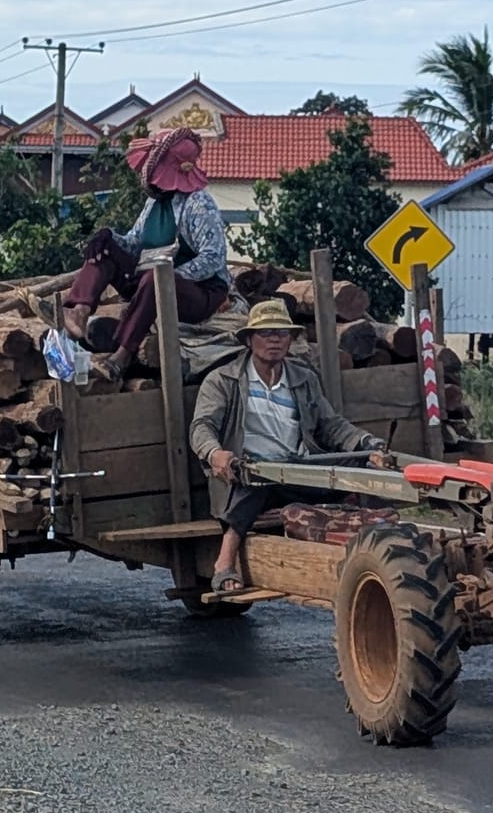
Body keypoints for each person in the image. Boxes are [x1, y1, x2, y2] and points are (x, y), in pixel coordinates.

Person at [189, 299, 386, 595]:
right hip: (249, 472)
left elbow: (330, 424)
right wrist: (216, 454)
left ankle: (378, 542)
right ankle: (225, 561)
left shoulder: (303, 378)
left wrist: (366, 444)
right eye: (266, 333)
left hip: (299, 469)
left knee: (364, 468)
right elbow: (201, 427)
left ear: (290, 340)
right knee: (254, 482)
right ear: (249, 339)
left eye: (281, 333)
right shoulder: (223, 380)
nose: (274, 340)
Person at [61, 128, 231, 378]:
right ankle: (80, 309)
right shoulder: (154, 203)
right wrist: (110, 237)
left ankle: (123, 353)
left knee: (156, 279)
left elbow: (213, 258)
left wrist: (168, 276)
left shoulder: (198, 203)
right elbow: (135, 241)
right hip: (149, 281)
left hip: (198, 293)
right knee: (104, 248)